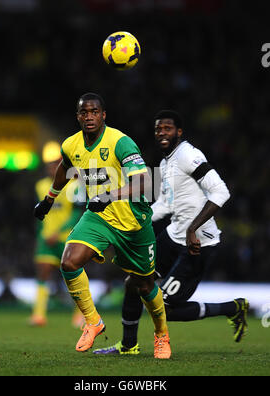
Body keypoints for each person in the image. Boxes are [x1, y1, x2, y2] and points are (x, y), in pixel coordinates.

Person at [93, 110, 249, 356]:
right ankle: (128, 346)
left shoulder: (188, 155)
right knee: (133, 283)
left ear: (179, 132)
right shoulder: (167, 162)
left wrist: (193, 228)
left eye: (167, 128)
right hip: (173, 235)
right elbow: (165, 205)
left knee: (166, 309)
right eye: (158, 129)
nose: (162, 133)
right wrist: (127, 224)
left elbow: (220, 192)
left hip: (199, 243)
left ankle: (233, 308)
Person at [33, 93, 171, 359]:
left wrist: (107, 196)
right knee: (69, 262)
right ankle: (93, 321)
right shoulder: (71, 144)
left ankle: (161, 335)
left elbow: (144, 182)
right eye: (84, 112)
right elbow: (64, 167)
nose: (89, 116)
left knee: (144, 286)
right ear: (78, 117)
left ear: (103, 115)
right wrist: (49, 200)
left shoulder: (120, 142)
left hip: (133, 221)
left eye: (94, 112)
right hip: (99, 216)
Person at [30, 142, 84, 327]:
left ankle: (80, 314)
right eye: (50, 165)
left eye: (56, 165)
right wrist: (39, 237)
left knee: (73, 276)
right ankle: (38, 315)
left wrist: (59, 232)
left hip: (68, 238)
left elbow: (77, 214)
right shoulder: (40, 186)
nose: (52, 168)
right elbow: (39, 213)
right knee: (43, 273)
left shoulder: (75, 186)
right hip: (46, 238)